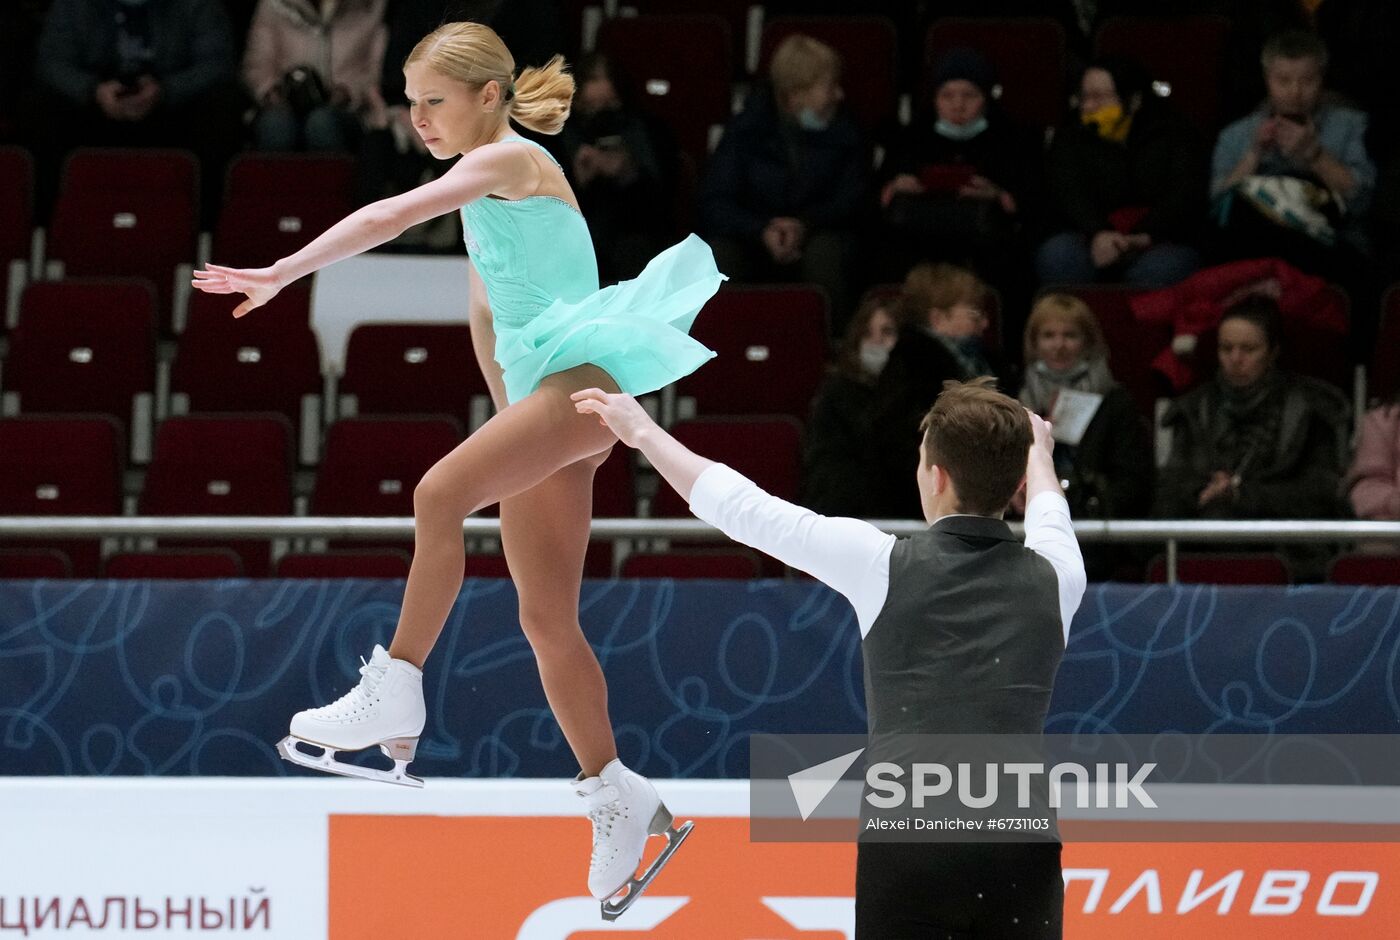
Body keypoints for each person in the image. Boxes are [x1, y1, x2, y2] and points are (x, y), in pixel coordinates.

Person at [190, 21, 721, 918]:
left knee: (438, 492)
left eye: (435, 101)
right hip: (551, 397)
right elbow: (490, 328)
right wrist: (516, 425)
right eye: (409, 101)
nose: (419, 117)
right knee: (546, 619)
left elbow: (389, 215)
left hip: (578, 381)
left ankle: (396, 688)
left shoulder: (510, 162)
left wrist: (283, 269)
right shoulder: (490, 203)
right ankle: (619, 797)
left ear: (487, 98)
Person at [574, 376, 1086, 938]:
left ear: (934, 476)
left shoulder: (881, 563)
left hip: (910, 845)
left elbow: (745, 510)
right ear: (1013, 481)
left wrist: (643, 432)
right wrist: (1037, 454)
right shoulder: (1058, 574)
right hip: (1021, 848)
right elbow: (1048, 510)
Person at [1155, 296, 1349, 576]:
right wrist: (1202, 491)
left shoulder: (1312, 409)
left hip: (1289, 554)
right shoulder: (1194, 409)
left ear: (1272, 352)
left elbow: (1319, 493)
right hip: (1200, 546)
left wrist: (1243, 495)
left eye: (1248, 349)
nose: (1235, 359)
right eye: (1226, 348)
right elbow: (1169, 488)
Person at [1208, 29, 1377, 345]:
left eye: (1307, 81)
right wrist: (1254, 155)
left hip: (1332, 243)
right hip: (1253, 240)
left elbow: (1364, 201)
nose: (1295, 92)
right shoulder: (1237, 134)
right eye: (1283, 81)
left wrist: (1315, 155)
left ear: (1321, 79)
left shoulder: (1352, 125)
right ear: (1267, 79)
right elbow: (1216, 207)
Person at [699, 34, 867, 332]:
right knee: (719, 256)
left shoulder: (846, 132)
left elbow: (853, 200)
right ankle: (722, 350)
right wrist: (762, 230)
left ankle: (834, 346)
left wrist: (803, 225)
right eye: (829, 87)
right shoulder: (745, 131)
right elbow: (716, 201)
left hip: (817, 236)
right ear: (795, 96)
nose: (838, 95)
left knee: (827, 253)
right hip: (753, 239)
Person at [879, 47, 1040, 307]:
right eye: (947, 96)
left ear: (986, 98)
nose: (958, 105)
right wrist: (897, 186)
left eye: (969, 95)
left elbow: (1030, 198)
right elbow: (880, 191)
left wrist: (998, 194)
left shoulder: (1012, 139)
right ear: (934, 99)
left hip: (986, 238)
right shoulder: (912, 137)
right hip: (918, 232)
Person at [1037, 56, 1205, 289]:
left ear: (1134, 100)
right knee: (1059, 255)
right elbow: (1068, 192)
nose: (1089, 106)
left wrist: (1144, 235)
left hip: (1158, 237)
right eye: (1084, 97)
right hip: (1092, 235)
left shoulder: (1174, 134)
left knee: (1162, 269)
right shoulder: (1070, 136)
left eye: (1100, 97)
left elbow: (1185, 193)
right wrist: (1098, 232)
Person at [1018, 294, 1153, 578]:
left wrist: (1083, 500)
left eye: (1070, 335)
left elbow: (1133, 480)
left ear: (1088, 343)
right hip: (1026, 530)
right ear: (1034, 343)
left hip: (1095, 538)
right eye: (1048, 335)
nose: (1059, 345)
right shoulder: (1014, 401)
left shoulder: (1116, 402)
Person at [868, 263, 1011, 518]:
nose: (985, 323)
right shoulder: (910, 366)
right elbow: (902, 441)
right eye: (974, 314)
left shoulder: (983, 361)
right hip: (929, 503)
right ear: (938, 318)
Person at [550, 52, 677, 284]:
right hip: (573, 237)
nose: (601, 118)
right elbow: (544, 214)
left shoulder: (648, 133)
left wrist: (629, 174)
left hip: (635, 236)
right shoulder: (556, 138)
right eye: (589, 108)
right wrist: (574, 182)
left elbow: (668, 207)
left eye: (610, 106)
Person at [241, 0, 388, 153]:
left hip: (351, 112)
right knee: (275, 125)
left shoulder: (370, 5)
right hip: (282, 105)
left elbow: (375, 71)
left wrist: (347, 92)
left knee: (321, 123)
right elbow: (257, 64)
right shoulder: (274, 4)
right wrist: (271, 92)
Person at [800, 294, 899, 517]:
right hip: (848, 514)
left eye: (887, 332)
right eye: (867, 333)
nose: (875, 342)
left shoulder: (915, 399)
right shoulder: (836, 396)